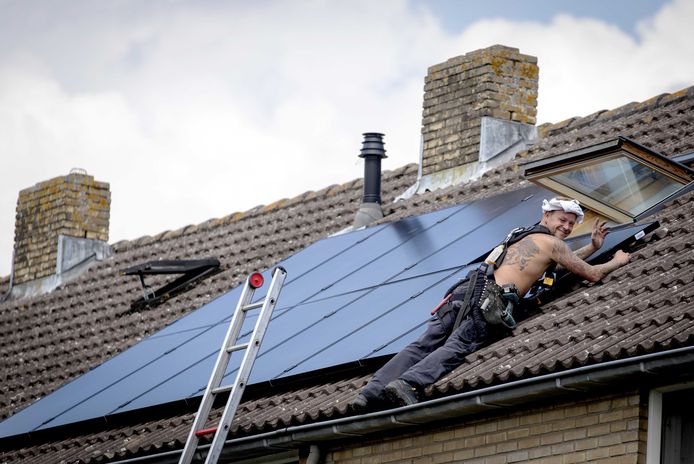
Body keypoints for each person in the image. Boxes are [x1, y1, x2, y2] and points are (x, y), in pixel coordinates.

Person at [350, 197, 631, 411]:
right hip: (488, 301)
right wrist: (616, 261)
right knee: (458, 346)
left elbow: (558, 265)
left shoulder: (523, 234)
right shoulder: (553, 244)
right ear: (547, 214)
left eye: (572, 223)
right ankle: (408, 383)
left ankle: (370, 393)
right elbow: (590, 273)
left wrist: (593, 247)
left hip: (465, 291)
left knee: (423, 344)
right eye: (563, 220)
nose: (567, 227)